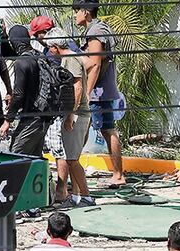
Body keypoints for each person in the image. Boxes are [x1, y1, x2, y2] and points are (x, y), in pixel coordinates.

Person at [73, 0, 125, 187]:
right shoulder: (100, 28)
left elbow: (95, 64)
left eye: (76, 11)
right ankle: (116, 174)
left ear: (86, 12)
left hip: (97, 92)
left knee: (92, 130)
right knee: (103, 129)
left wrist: (85, 93)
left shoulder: (95, 32)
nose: (74, 15)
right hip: (103, 90)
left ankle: (116, 175)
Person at [44, 28, 94, 208]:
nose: (49, 51)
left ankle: (86, 197)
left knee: (72, 159)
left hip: (77, 114)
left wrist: (70, 115)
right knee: (72, 157)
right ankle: (75, 196)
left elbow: (77, 88)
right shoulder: (72, 57)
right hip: (77, 113)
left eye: (50, 48)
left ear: (56, 46)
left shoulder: (70, 59)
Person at [1, 25, 49, 156]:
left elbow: (18, 95)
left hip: (32, 116)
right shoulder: (40, 56)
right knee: (35, 155)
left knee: (16, 154)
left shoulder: (22, 62)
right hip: (45, 115)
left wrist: (7, 121)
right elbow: (9, 53)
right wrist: (4, 37)